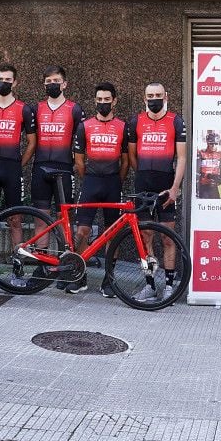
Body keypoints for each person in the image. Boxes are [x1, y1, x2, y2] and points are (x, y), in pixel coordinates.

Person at [70, 82, 130, 297]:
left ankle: (109, 280)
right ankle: (80, 276)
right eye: (99, 100)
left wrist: (116, 180)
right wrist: (89, 178)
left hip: (113, 183)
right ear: (95, 100)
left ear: (114, 101)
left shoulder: (123, 127)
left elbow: (125, 162)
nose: (103, 103)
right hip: (90, 182)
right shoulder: (84, 126)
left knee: (112, 234)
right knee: (81, 231)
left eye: (107, 100)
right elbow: (78, 160)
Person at [127, 82, 186, 301]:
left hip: (166, 188)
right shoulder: (136, 121)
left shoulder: (175, 121)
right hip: (143, 186)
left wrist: (174, 188)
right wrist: (143, 175)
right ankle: (150, 285)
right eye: (150, 95)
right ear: (144, 98)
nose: (154, 99)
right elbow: (132, 157)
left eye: (158, 95)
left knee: (168, 238)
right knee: (145, 238)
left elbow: (181, 157)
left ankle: (169, 286)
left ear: (166, 96)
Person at [0, 64, 36, 285]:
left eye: (8, 79)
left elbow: (32, 142)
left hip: (12, 168)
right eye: (0, 78)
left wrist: (17, 163)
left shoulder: (23, 109)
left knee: (16, 220)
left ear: (15, 82)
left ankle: (17, 270)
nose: (4, 82)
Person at [29, 66, 85, 261]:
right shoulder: (36, 108)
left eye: (56, 81)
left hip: (64, 168)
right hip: (40, 167)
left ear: (65, 84)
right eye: (48, 82)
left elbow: (80, 144)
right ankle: (42, 263)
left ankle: (66, 262)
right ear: (44, 84)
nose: (52, 85)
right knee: (40, 218)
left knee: (65, 220)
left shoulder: (75, 109)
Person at [195, 131, 221, 199]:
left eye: (216, 143)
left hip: (214, 186)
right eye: (211, 143)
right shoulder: (201, 153)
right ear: (207, 143)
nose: (213, 146)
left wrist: (220, 178)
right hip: (203, 186)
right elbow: (197, 170)